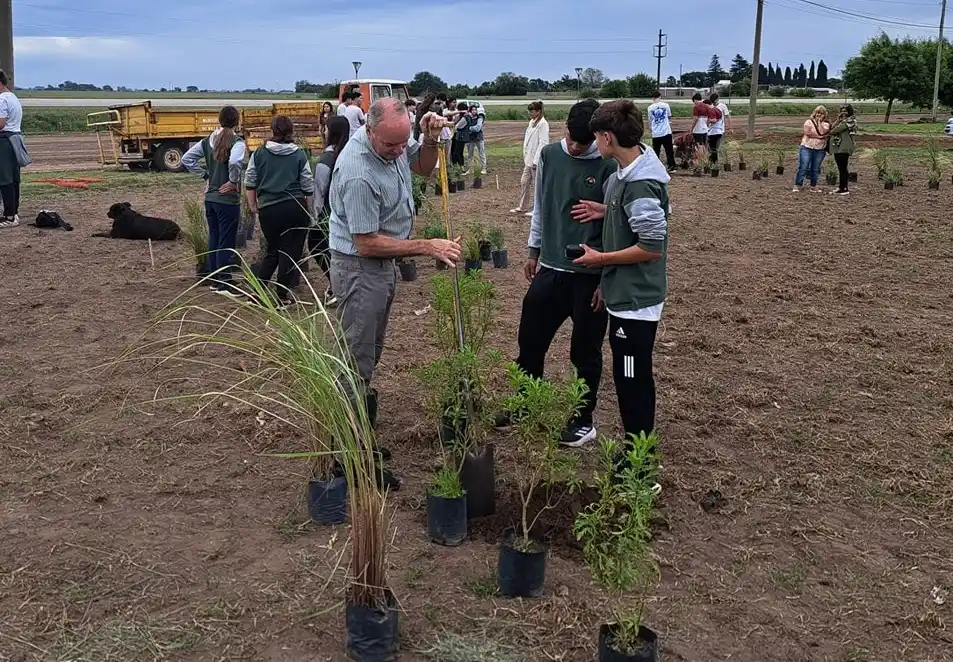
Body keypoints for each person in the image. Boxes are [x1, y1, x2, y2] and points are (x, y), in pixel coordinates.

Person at [329, 98, 460, 489]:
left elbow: (421, 168)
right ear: (370, 131)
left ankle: (359, 439)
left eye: (404, 143)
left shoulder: (395, 145)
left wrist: (431, 141)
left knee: (369, 353)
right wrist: (427, 246)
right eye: (392, 146)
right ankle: (348, 458)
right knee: (356, 360)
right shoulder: (357, 173)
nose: (400, 151)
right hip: (359, 267)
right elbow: (366, 243)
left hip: (380, 267)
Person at [498, 99, 617, 447]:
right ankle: (525, 403)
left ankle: (583, 420)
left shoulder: (608, 164)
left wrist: (606, 274)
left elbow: (620, 226)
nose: (577, 147)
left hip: (589, 274)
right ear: (565, 127)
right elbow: (541, 205)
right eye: (573, 139)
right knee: (530, 340)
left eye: (585, 142)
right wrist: (533, 250)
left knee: (585, 352)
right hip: (550, 267)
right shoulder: (549, 156)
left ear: (598, 135)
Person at [571, 99, 670, 454]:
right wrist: (606, 209)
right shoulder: (626, 176)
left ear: (607, 137)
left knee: (633, 381)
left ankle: (640, 463)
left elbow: (651, 246)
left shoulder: (641, 184)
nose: (595, 144)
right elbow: (631, 220)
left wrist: (602, 259)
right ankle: (635, 454)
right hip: (622, 292)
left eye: (597, 137)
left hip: (637, 300)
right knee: (629, 379)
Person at [243, 115, 314, 305]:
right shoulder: (299, 154)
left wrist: (253, 206)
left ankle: (257, 292)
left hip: (269, 209)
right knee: (290, 253)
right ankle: (282, 296)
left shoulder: (259, 153)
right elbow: (307, 184)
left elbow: (250, 181)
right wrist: (309, 209)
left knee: (272, 250)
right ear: (291, 131)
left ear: (273, 131)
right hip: (294, 207)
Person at [181, 105, 246, 296]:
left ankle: (215, 279)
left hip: (210, 199)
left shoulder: (207, 141)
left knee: (214, 238)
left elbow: (186, 159)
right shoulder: (237, 142)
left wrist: (205, 176)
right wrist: (233, 181)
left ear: (219, 120)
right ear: (237, 121)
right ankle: (225, 283)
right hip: (227, 200)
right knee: (226, 241)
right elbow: (234, 162)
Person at [307, 115, 349, 305]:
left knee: (317, 245)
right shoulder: (349, 153)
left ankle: (338, 286)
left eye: (326, 129)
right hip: (345, 211)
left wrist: (314, 217)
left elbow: (319, 190)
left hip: (327, 212)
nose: (323, 131)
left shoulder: (326, 158)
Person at [510, 100, 550, 216]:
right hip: (528, 159)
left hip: (535, 160)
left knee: (538, 186)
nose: (530, 114)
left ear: (538, 111)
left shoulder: (543, 124)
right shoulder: (532, 122)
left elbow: (543, 143)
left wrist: (536, 160)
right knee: (524, 181)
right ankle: (523, 206)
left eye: (532, 111)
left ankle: (538, 209)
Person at [0, 69, 27, 229]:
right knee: (13, 179)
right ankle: (13, 212)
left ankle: (9, 217)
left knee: (4, 180)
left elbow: (1, 123)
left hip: (4, 141)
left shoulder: (2, 99)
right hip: (14, 139)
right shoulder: (12, 97)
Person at [793, 105, 830, 193]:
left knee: (815, 168)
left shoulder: (826, 124)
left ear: (824, 115)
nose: (819, 115)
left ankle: (813, 186)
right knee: (804, 166)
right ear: (814, 113)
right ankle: (798, 185)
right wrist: (821, 137)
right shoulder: (808, 122)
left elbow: (822, 132)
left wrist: (819, 123)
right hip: (807, 147)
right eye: (817, 113)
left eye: (821, 113)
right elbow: (807, 133)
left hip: (820, 148)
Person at [827, 104, 857, 196]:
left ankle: (844, 188)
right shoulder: (842, 121)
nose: (843, 112)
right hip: (839, 146)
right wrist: (838, 119)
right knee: (841, 168)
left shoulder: (850, 121)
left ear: (849, 112)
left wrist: (830, 132)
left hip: (844, 147)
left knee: (843, 168)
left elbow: (834, 130)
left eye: (845, 111)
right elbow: (832, 127)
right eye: (842, 110)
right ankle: (842, 187)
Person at [646, 90, 675, 172]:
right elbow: (669, 116)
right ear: (660, 97)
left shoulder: (650, 108)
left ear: (653, 98)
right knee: (669, 150)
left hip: (656, 133)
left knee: (656, 151)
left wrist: (651, 129)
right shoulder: (666, 105)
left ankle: (655, 167)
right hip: (666, 132)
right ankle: (671, 166)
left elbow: (650, 120)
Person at [707, 92, 730, 165]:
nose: (714, 102)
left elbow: (727, 116)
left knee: (717, 147)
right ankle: (713, 162)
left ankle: (718, 162)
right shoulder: (710, 107)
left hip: (719, 129)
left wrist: (730, 127)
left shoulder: (722, 106)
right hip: (710, 130)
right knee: (712, 148)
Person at [466, 103, 487, 175]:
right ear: (470, 111)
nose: (474, 111)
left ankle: (484, 168)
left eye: (475, 110)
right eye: (472, 110)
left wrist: (469, 128)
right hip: (470, 138)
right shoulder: (468, 118)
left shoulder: (480, 118)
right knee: (470, 154)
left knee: (481, 153)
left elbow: (478, 128)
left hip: (478, 137)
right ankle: (470, 169)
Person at [451, 101, 470, 167]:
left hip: (460, 136)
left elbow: (456, 126)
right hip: (463, 137)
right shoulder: (467, 116)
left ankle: (460, 165)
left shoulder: (464, 118)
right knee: (459, 152)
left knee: (457, 152)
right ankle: (459, 165)